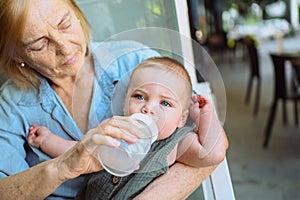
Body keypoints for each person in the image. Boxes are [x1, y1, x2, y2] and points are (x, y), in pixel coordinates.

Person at [0, 0, 228, 199]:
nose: (64, 47)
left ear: (78, 14)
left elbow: (212, 151)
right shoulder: (12, 103)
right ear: (16, 54)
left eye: (65, 24)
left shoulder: (136, 63)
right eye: (40, 44)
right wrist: (61, 162)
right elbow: (6, 190)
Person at [27, 57, 227, 199]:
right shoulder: (113, 128)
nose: (148, 108)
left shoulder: (177, 143)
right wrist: (47, 140)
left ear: (181, 119)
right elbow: (79, 151)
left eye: (165, 103)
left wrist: (205, 116)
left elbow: (213, 153)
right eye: (139, 97)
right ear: (125, 104)